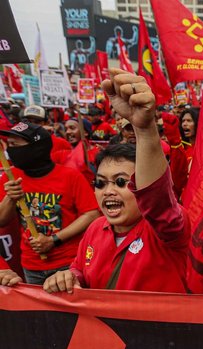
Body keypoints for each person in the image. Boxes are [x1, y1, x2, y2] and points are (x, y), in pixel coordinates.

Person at [43, 69, 190, 294]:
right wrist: (70, 277)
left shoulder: (166, 228)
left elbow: (157, 199)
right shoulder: (94, 229)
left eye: (121, 182)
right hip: (101, 330)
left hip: (155, 330)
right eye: (100, 183)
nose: (108, 191)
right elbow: (80, 270)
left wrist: (145, 130)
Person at [0, 122, 100, 285]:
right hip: (31, 265)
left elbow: (91, 214)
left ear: (37, 147)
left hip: (68, 263)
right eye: (9, 145)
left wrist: (53, 240)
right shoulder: (11, 177)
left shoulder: (70, 176)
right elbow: (2, 220)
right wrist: (10, 198)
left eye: (15, 145)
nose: (11, 150)